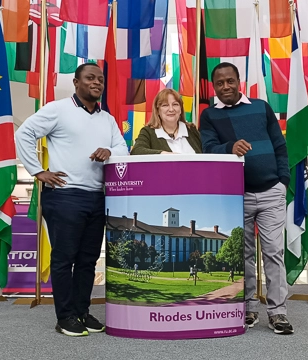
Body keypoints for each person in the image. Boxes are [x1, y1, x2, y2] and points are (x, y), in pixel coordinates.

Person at [15, 63, 129, 337]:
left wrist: (108, 150)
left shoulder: (108, 119)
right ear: (76, 82)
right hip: (65, 195)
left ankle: (81, 312)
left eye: (100, 79)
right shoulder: (58, 109)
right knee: (65, 259)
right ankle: (65, 316)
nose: (97, 83)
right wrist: (38, 171)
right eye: (90, 78)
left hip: (97, 197)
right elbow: (24, 133)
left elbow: (123, 149)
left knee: (88, 260)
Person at [200, 62, 293, 335]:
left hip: (270, 191)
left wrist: (282, 181)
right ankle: (249, 306)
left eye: (230, 81)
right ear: (214, 87)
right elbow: (208, 149)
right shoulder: (209, 116)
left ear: (239, 81)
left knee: (274, 252)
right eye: (220, 83)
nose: (225, 86)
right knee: (243, 255)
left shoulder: (261, 107)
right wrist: (230, 147)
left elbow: (279, 145)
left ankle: (278, 313)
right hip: (235, 195)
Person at [130, 88, 202, 155]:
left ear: (181, 109)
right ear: (157, 110)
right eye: (165, 105)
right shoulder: (148, 132)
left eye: (175, 104)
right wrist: (164, 155)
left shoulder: (191, 130)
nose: (171, 109)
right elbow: (136, 151)